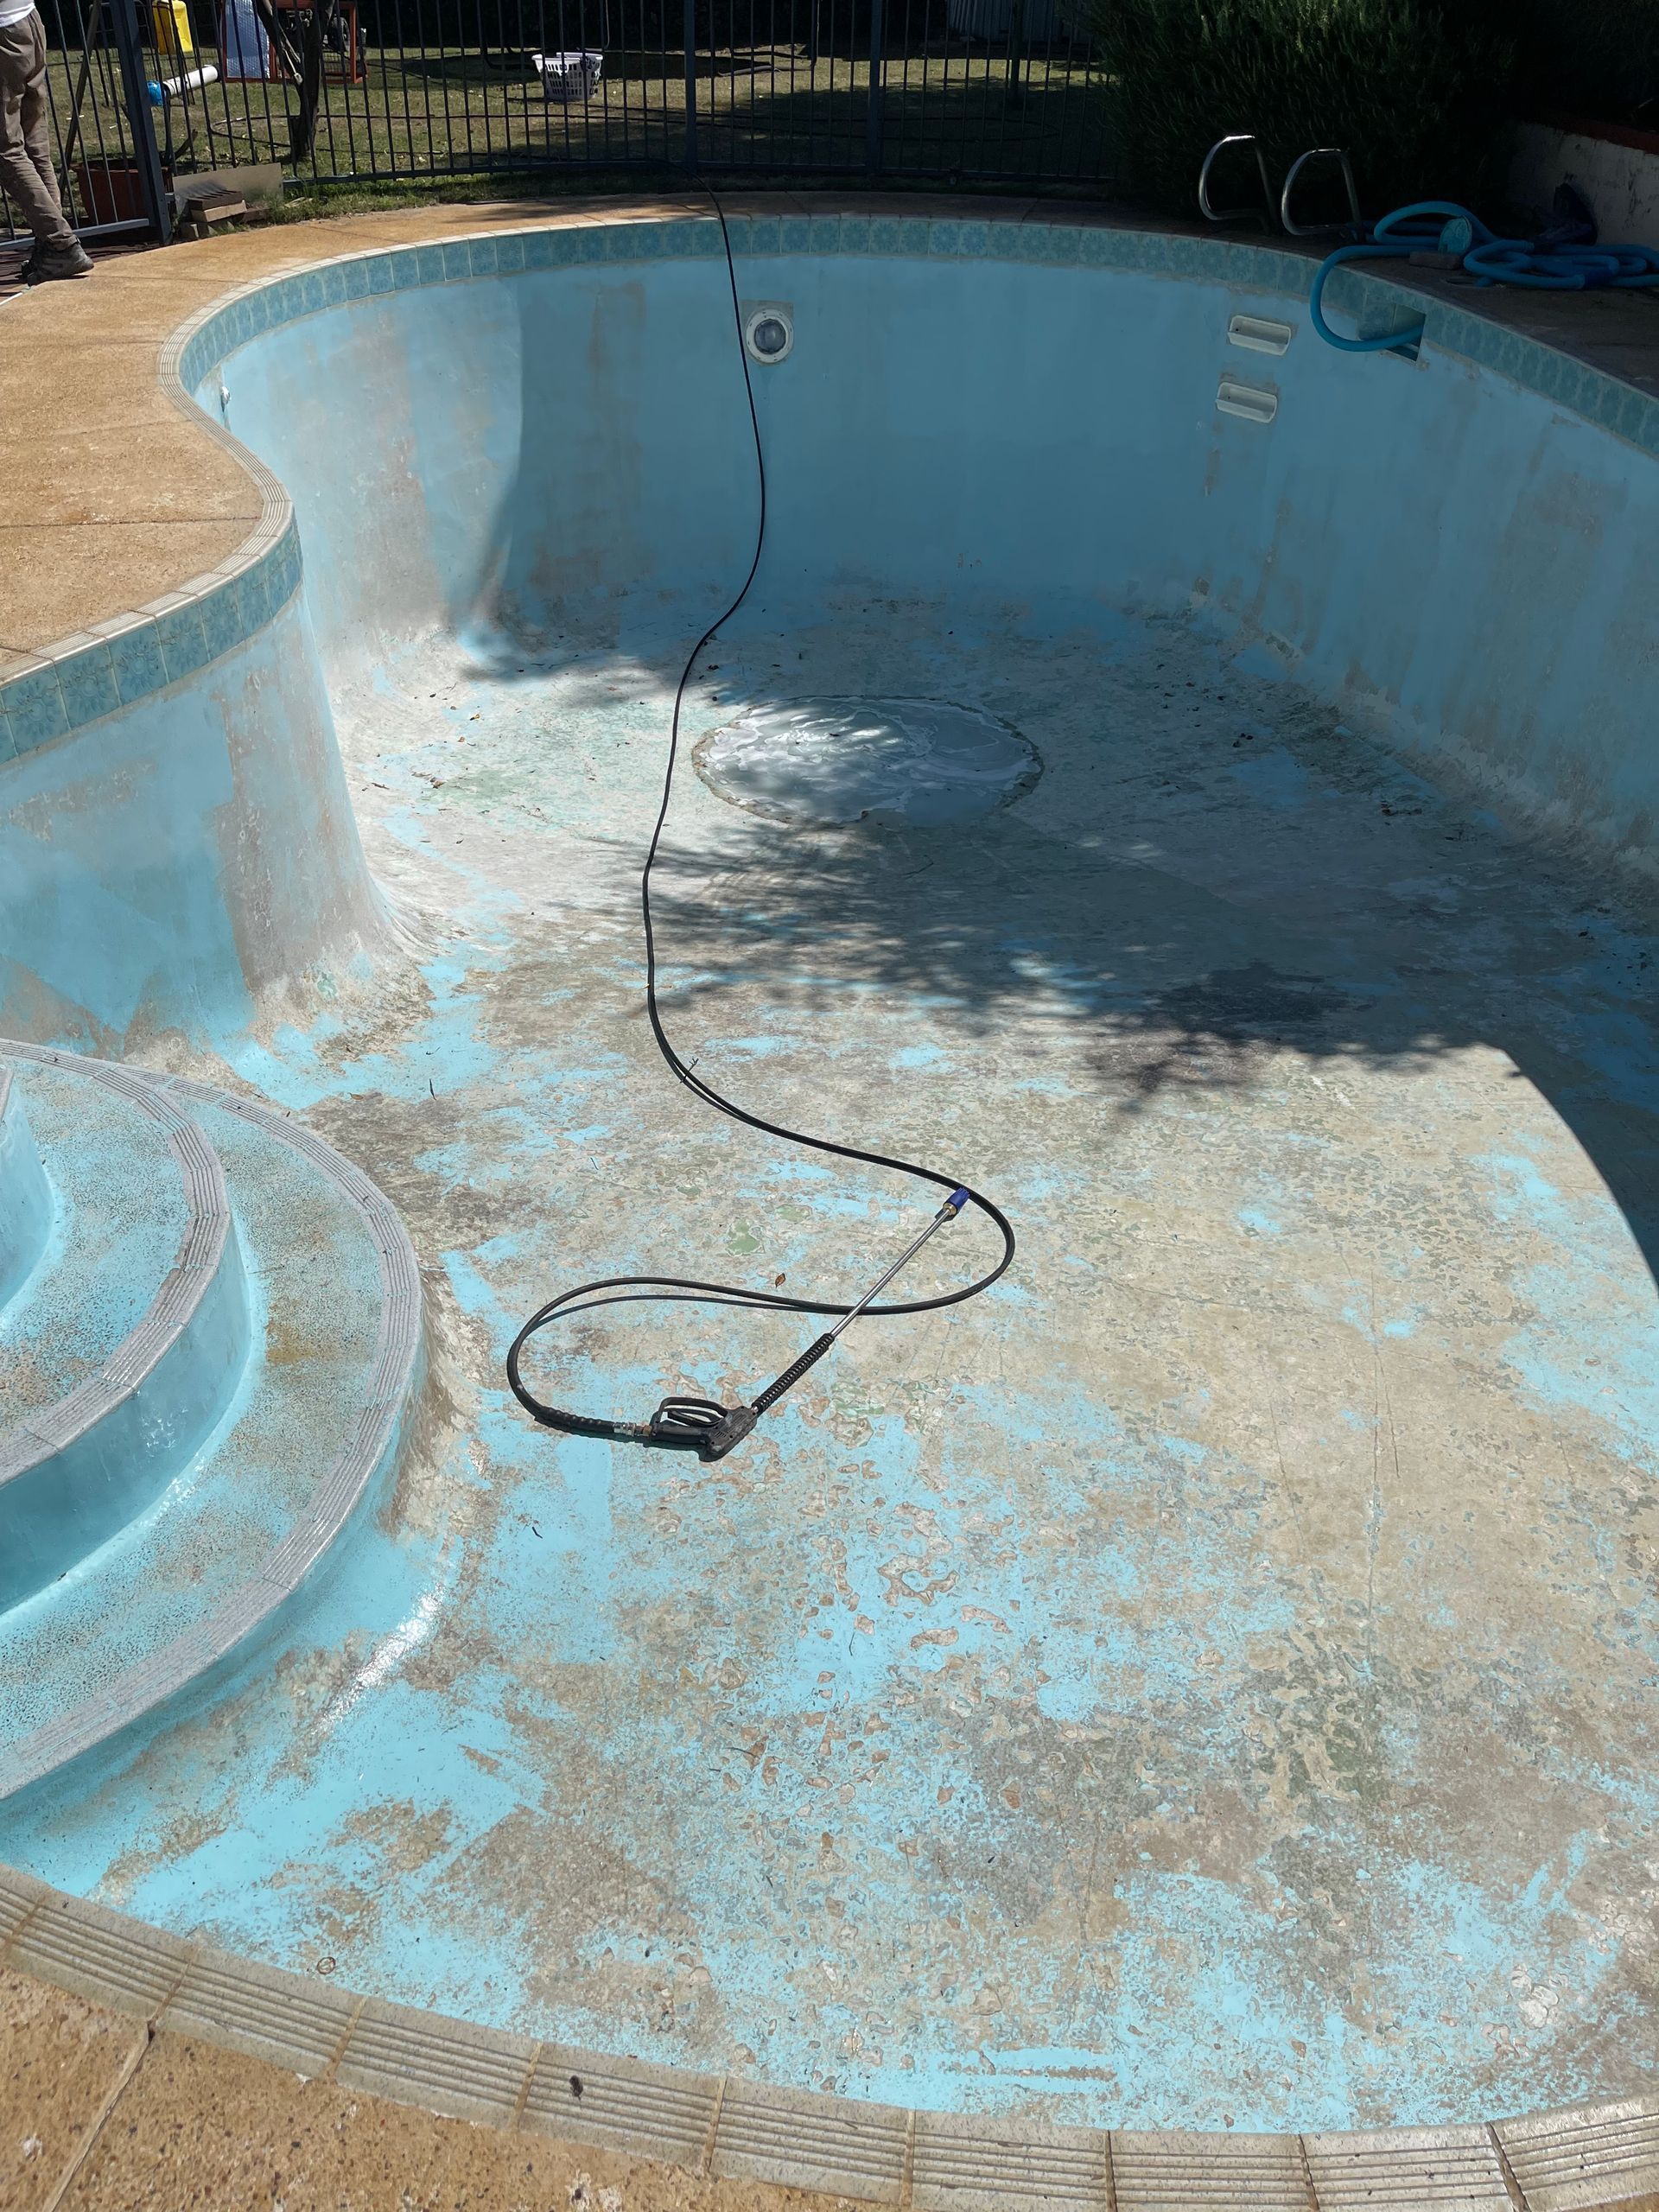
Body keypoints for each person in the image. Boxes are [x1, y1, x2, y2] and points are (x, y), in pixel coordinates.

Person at [0, 0, 93, 283]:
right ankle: (50, 244)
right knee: (33, 143)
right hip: (28, 22)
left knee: (6, 150)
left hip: (4, 33)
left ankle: (59, 244)